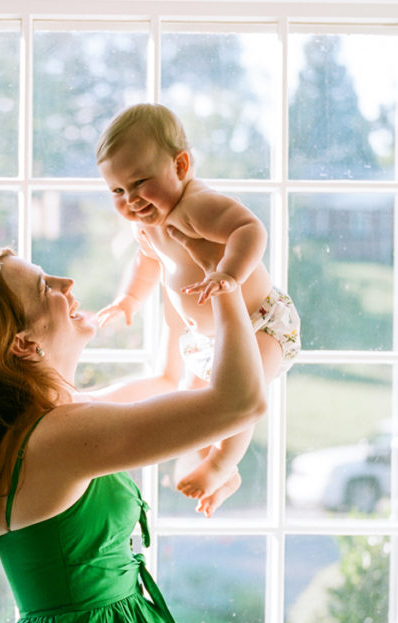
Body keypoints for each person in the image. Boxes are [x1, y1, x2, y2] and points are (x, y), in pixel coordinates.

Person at [0, 244, 371, 623]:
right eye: (46, 286)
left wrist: (166, 258)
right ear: (23, 343)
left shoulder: (49, 423)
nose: (68, 284)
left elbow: (167, 380)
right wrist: (226, 292)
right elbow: (239, 402)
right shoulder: (60, 436)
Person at [96, 103, 301, 516]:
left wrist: (228, 274)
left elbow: (249, 228)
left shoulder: (197, 206)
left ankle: (223, 462)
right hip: (207, 342)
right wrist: (129, 298)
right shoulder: (147, 221)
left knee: (241, 400)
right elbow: (147, 261)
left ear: (181, 165)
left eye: (140, 182)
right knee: (191, 414)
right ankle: (226, 476)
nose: (131, 200)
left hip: (261, 324)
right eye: (118, 191)